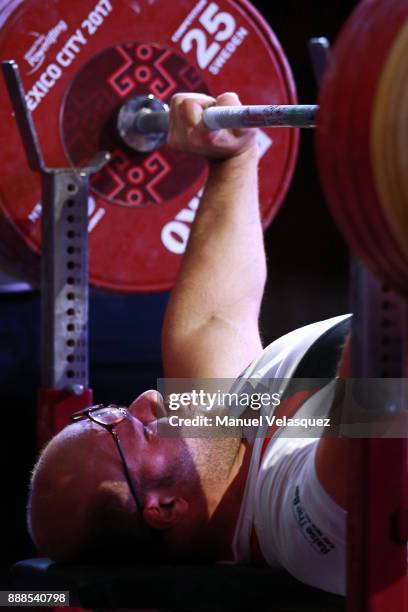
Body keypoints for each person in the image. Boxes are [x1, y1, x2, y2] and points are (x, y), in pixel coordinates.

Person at [28, 92, 350, 596]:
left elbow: (211, 318)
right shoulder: (302, 523)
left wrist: (229, 155)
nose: (148, 400)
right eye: (130, 432)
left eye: (113, 411)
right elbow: (387, 374)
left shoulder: (227, 427)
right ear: (164, 508)